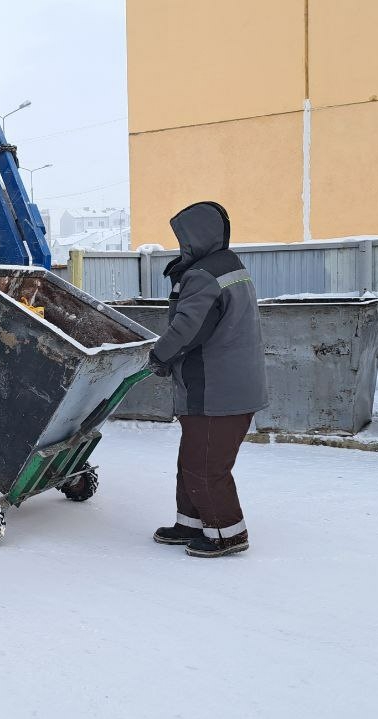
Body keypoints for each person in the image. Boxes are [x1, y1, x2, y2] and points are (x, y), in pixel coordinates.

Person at [147, 201, 267, 558]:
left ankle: (227, 533)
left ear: (198, 236)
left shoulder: (203, 275)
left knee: (206, 466)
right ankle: (191, 523)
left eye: (183, 239)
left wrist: (159, 356)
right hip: (220, 386)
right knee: (192, 460)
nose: (180, 246)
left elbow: (188, 327)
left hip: (217, 390)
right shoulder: (227, 266)